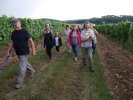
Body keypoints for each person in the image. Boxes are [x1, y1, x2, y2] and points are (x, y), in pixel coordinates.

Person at [7, 18, 36, 89]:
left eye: (16, 23)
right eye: (13, 24)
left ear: (19, 23)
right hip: (18, 52)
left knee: (22, 67)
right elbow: (12, 42)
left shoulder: (24, 31)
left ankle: (19, 82)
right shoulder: (13, 33)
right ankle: (32, 71)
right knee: (25, 63)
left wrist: (33, 50)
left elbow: (31, 41)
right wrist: (8, 51)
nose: (15, 25)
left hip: (24, 52)